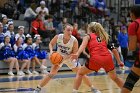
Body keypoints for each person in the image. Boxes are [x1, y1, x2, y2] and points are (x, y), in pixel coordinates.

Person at [34, 24, 101, 93]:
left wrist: (65, 57)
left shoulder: (74, 40)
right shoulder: (58, 37)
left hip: (70, 59)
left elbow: (75, 54)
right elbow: (51, 44)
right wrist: (51, 51)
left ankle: (93, 88)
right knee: (51, 74)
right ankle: (38, 88)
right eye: (68, 30)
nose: (70, 32)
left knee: (81, 74)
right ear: (63, 30)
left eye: (71, 30)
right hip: (59, 58)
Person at [71, 22, 124, 93]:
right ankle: (126, 91)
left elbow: (83, 46)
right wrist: (119, 61)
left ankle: (74, 91)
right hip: (107, 59)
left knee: (80, 73)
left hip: (96, 59)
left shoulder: (88, 36)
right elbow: (114, 50)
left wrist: (77, 54)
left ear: (90, 29)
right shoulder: (103, 37)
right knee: (115, 78)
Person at [121, 5, 140, 93]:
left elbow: (132, 47)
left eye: (130, 13)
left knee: (129, 83)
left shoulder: (134, 24)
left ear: (133, 13)